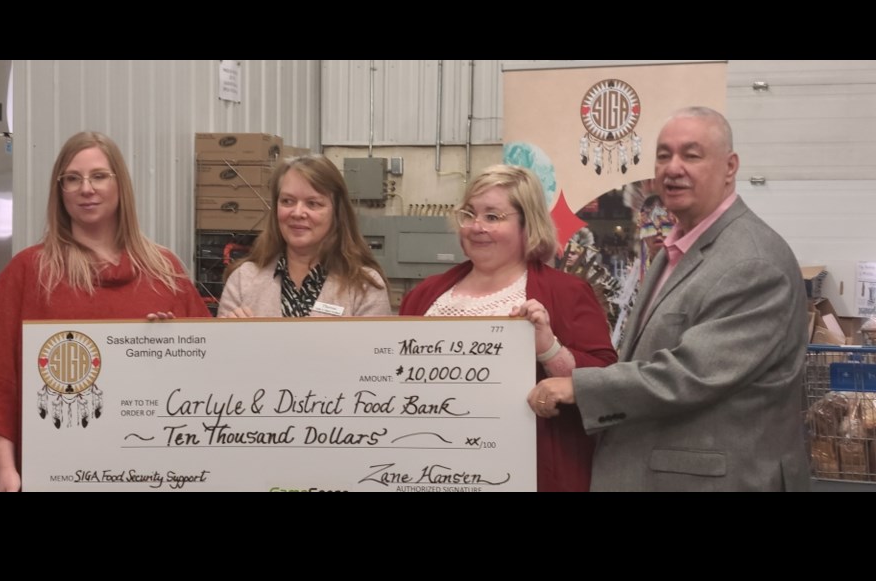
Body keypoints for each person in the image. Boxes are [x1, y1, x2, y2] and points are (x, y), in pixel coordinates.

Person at [529, 107, 810, 491]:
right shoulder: (674, 250)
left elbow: (691, 374)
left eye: (691, 155)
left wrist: (580, 387)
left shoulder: (754, 262)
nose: (672, 168)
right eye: (663, 155)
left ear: (730, 167)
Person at [0, 131, 211, 491]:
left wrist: (171, 347)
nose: (86, 188)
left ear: (119, 185)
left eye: (98, 176)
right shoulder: (28, 272)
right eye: (72, 179)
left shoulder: (165, 271)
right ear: (59, 190)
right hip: (54, 473)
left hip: (152, 472)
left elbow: (204, 374)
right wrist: (6, 469)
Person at [399, 165, 617, 492]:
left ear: (527, 225)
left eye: (493, 217)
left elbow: (606, 381)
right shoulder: (424, 295)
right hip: (430, 469)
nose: (476, 227)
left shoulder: (567, 293)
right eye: (469, 214)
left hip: (527, 473)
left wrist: (549, 349)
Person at [218, 155, 391, 318]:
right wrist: (232, 335)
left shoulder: (364, 286)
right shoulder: (243, 280)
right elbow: (219, 349)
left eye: (313, 203)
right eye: (287, 201)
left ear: (337, 212)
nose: (298, 213)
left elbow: (372, 349)